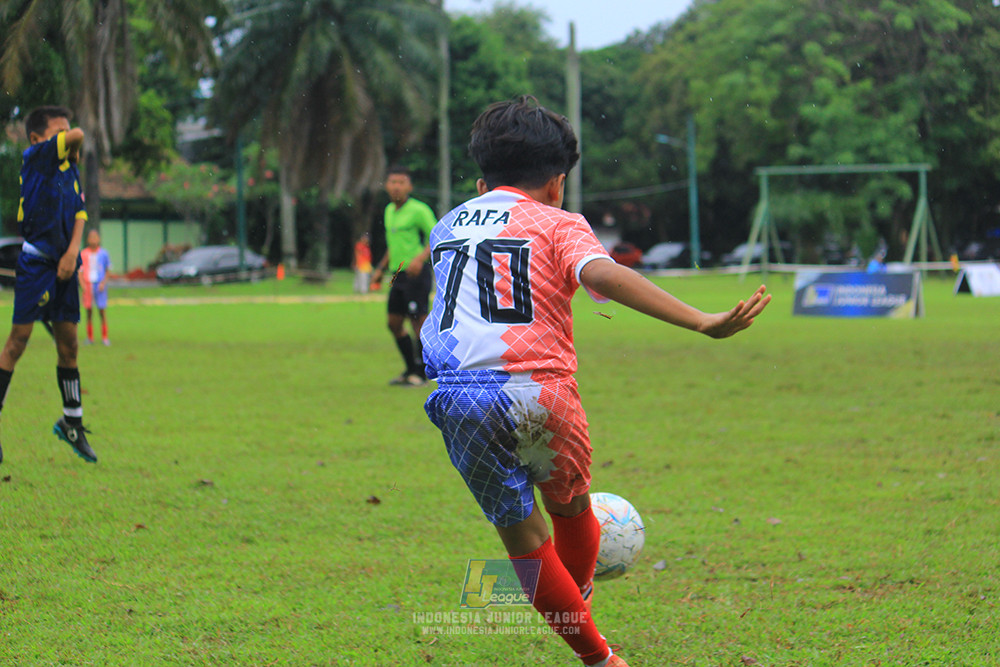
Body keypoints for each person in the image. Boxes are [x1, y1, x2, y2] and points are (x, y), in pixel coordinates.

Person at [420, 97, 771, 667]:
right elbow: (603, 273)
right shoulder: (558, 222)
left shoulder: (446, 225)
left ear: (482, 181)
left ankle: (599, 658)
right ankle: (577, 592)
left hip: (459, 395)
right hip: (540, 389)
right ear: (557, 184)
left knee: (524, 540)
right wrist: (701, 320)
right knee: (571, 505)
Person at [0, 106, 97, 465]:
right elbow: (78, 136)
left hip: (66, 267)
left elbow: (79, 213)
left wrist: (73, 253)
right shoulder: (36, 157)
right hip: (36, 264)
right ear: (38, 139)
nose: (66, 135)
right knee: (17, 343)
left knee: (69, 345)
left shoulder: (69, 169)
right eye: (58, 131)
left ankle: (72, 423)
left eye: (65, 130)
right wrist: (70, 139)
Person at [371, 165, 436, 387]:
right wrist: (380, 268)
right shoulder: (389, 210)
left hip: (416, 274)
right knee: (394, 323)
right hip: (397, 274)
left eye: (401, 182)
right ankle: (410, 369)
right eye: (392, 182)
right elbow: (394, 245)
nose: (396, 187)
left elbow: (436, 236)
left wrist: (420, 259)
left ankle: (421, 373)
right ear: (386, 185)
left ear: (409, 186)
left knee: (418, 322)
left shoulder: (419, 210)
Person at [80, 228, 111, 345]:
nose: (93, 239)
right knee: (88, 311)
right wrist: (83, 284)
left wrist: (103, 283)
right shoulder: (84, 254)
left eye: (95, 237)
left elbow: (108, 270)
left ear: (99, 239)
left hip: (99, 285)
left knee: (102, 311)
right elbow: (80, 271)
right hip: (88, 284)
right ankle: (90, 337)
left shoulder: (103, 254)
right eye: (91, 237)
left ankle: (105, 337)